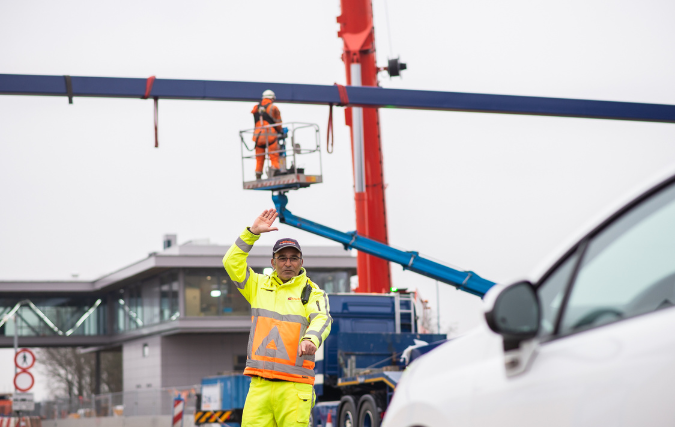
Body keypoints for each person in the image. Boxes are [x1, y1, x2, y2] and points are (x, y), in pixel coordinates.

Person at [222, 208, 331, 427]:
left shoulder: (312, 292)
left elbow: (322, 318)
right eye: (282, 258)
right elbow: (231, 262)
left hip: (294, 386)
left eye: (293, 258)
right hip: (259, 385)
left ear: (301, 262)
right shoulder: (258, 286)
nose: (288, 263)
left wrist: (311, 339)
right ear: (273, 262)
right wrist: (252, 232)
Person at [252, 90, 283, 180]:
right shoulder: (273, 108)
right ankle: (275, 171)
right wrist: (280, 131)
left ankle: (258, 174)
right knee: (273, 155)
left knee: (259, 157)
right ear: (272, 98)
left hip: (257, 136)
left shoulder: (256, 107)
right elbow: (278, 123)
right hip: (270, 135)